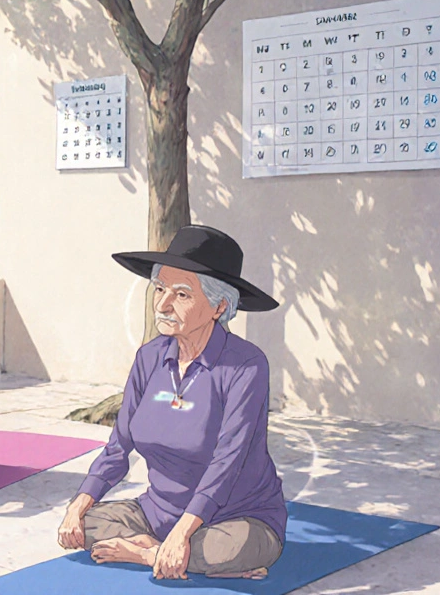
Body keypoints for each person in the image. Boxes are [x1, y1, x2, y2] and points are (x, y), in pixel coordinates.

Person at [58, 225, 288, 581]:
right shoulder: (149, 358)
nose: (163, 304)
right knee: (84, 525)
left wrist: (181, 535)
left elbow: (227, 462)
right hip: (157, 513)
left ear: (219, 306)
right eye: (160, 289)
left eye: (182, 295)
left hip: (234, 516)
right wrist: (79, 504)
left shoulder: (245, 364)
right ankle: (164, 552)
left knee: (230, 547)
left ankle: (152, 552)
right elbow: (118, 448)